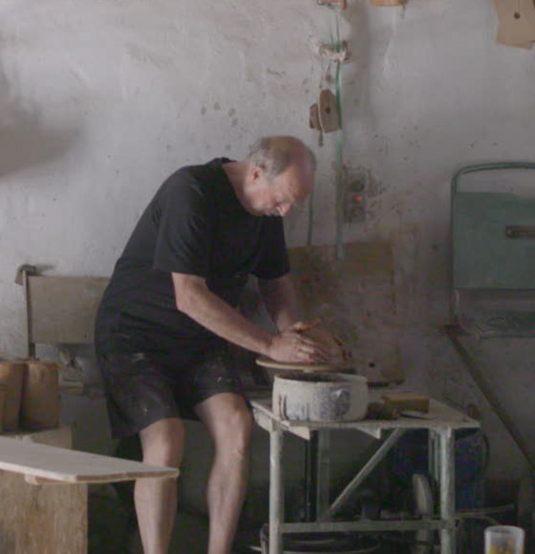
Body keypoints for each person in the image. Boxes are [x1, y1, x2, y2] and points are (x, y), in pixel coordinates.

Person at [94, 135, 346, 554]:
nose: (284, 212)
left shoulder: (266, 210)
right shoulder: (190, 191)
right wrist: (270, 344)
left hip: (200, 337)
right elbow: (188, 296)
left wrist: (294, 332)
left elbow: (274, 281)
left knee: (236, 425)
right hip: (134, 334)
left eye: (291, 204)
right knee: (166, 438)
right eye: (282, 200)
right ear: (255, 172)